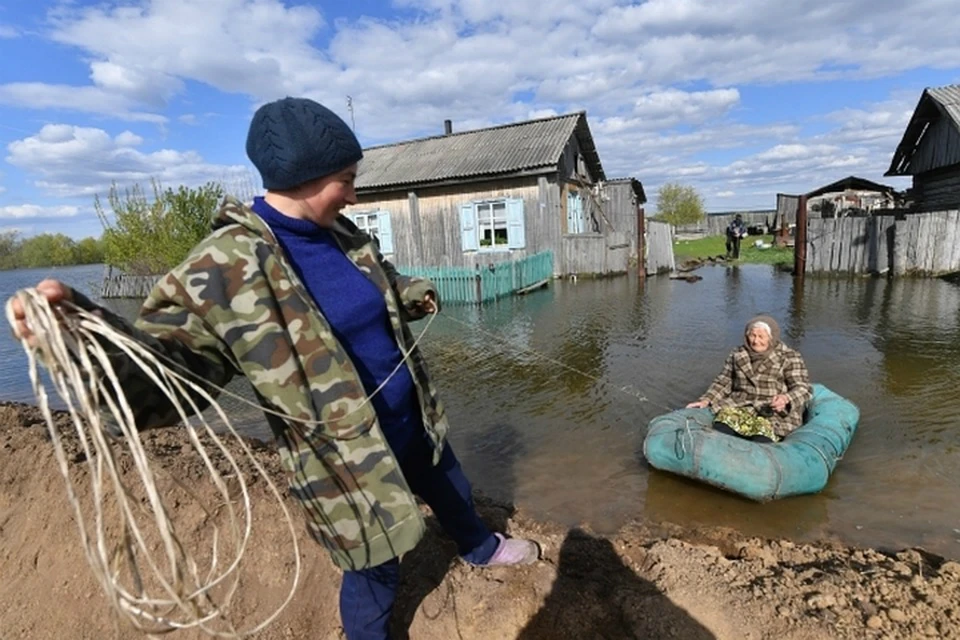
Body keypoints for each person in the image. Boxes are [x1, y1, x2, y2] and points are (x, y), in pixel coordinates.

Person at [9, 97, 539, 640]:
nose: (354, 194)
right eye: (346, 179)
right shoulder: (224, 266)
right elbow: (166, 378)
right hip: (346, 465)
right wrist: (89, 344)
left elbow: (375, 289)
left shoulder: (347, 238)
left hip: (413, 420)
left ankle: (479, 548)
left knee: (452, 487)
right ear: (303, 176)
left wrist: (410, 293)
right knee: (374, 568)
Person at [686, 315, 811, 442]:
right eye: (752, 335)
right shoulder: (737, 354)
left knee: (761, 440)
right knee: (719, 433)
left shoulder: (789, 357)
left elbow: (803, 388)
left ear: (771, 338)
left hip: (772, 412)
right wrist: (706, 400)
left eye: (761, 336)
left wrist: (785, 399)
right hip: (740, 406)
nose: (756, 341)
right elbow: (723, 381)